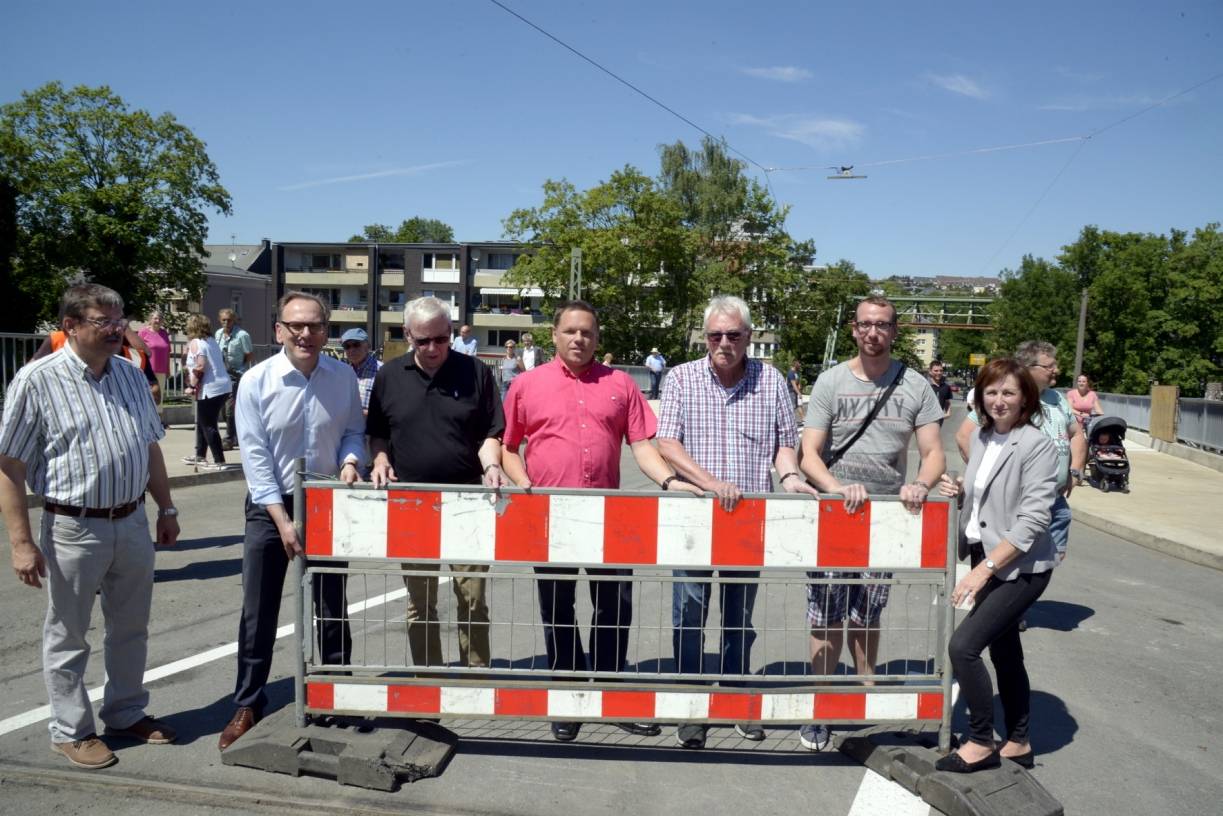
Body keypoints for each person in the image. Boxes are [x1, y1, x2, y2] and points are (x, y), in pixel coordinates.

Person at [501, 300, 699, 742]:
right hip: (552, 514)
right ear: (553, 335)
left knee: (615, 606)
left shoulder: (621, 384)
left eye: (587, 332)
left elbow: (643, 445)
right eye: (570, 331)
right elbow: (508, 445)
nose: (578, 339)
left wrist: (669, 481)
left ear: (597, 337)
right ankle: (570, 696)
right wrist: (524, 486)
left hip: (609, 515)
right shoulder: (526, 386)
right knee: (558, 608)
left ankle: (609, 692)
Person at [0, 283, 180, 770]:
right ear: (71, 326)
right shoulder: (37, 380)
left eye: (120, 320)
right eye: (103, 322)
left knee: (131, 628)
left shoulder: (128, 373)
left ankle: (125, 712)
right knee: (68, 633)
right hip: (72, 526)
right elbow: (9, 465)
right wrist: (20, 543)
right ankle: (71, 730)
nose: (116, 330)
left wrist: (165, 507)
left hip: (131, 521)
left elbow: (149, 446)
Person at [657, 296, 820, 749]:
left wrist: (789, 477)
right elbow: (667, 442)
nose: (724, 343)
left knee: (739, 616)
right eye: (715, 335)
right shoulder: (682, 377)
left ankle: (735, 697)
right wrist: (710, 483)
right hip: (693, 518)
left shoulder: (771, 381)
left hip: (748, 522)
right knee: (688, 614)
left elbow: (786, 444)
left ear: (750, 336)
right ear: (704, 337)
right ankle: (691, 705)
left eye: (733, 335)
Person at [218, 291, 365, 751]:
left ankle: (335, 691)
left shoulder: (342, 377)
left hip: (324, 501)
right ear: (279, 330)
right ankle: (248, 701)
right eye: (296, 325)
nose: (306, 334)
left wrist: (350, 460)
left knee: (331, 602)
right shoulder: (257, 381)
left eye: (315, 325)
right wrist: (282, 520)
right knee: (258, 610)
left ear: (326, 330)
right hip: (270, 507)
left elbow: (352, 431)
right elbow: (256, 457)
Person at [798, 295, 945, 752]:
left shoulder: (916, 386)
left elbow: (934, 452)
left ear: (895, 331)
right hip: (834, 518)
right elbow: (809, 455)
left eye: (882, 325)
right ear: (854, 330)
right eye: (865, 324)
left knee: (867, 614)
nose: (873, 332)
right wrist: (837, 489)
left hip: (883, 521)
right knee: (826, 617)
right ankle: (822, 707)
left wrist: (921, 483)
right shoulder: (831, 381)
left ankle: (865, 694)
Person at [933, 358, 1059, 773]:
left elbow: (1033, 520)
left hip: (1020, 568)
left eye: (1008, 393)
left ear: (1025, 398)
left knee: (964, 648)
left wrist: (983, 569)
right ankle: (1019, 740)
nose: (999, 401)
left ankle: (981, 740)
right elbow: (986, 497)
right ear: (980, 399)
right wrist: (959, 491)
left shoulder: (1036, 444)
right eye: (991, 392)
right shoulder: (985, 438)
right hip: (985, 554)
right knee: (1005, 652)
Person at [367, 296, 505, 669]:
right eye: (422, 341)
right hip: (412, 504)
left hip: (467, 500)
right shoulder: (389, 376)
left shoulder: (475, 372)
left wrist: (492, 465)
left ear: (451, 334)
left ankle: (475, 675)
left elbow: (492, 433)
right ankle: (428, 676)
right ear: (408, 335)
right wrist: (379, 458)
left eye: (440, 339)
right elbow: (377, 433)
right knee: (420, 601)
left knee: (473, 597)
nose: (432, 349)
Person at [956, 342, 1086, 564]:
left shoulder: (1057, 399)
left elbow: (1077, 435)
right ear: (1028, 367)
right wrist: (989, 475)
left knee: (1046, 563)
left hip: (1055, 501)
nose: (1056, 370)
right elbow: (964, 435)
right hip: (1019, 506)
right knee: (1010, 564)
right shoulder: (1007, 400)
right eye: (1050, 366)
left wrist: (1075, 471)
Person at [182, 314, 232, 471]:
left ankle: (219, 461)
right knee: (203, 423)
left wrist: (192, 386)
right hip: (222, 386)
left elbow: (200, 366)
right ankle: (200, 455)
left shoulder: (196, 342)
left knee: (209, 425)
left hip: (211, 388)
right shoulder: (211, 341)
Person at [216, 309, 254, 451]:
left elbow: (249, 355)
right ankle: (236, 435)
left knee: (230, 407)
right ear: (220, 320)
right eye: (224, 320)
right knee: (221, 408)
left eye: (229, 320)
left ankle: (229, 438)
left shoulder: (242, 335)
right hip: (221, 375)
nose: (226, 323)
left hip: (236, 374)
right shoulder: (218, 334)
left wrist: (241, 369)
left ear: (234, 320)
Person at [341, 327, 381, 415]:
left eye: (356, 344)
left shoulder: (382, 371)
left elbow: (391, 407)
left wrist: (366, 414)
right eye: (347, 346)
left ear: (368, 346)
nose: (351, 350)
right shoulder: (343, 373)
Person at [137, 310, 171, 415]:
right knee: (147, 394)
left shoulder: (164, 333)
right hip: (147, 369)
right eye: (155, 318)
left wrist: (168, 369)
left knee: (159, 397)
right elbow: (137, 350)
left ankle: (159, 421)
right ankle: (146, 418)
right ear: (150, 320)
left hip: (161, 369)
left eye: (160, 318)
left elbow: (168, 351)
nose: (158, 320)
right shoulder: (143, 332)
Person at [929, 359, 953, 425]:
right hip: (925, 419)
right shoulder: (926, 385)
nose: (939, 373)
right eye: (936, 371)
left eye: (941, 371)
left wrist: (948, 413)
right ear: (930, 371)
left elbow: (947, 401)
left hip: (939, 419)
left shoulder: (946, 387)